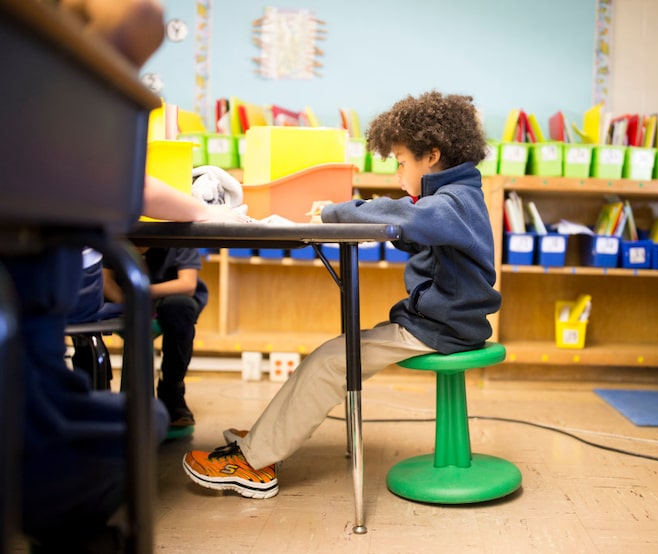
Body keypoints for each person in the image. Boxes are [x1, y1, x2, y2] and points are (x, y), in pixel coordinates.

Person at [1, 1, 246, 550]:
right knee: (132, 417)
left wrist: (200, 213)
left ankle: (170, 394)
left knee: (178, 315)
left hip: (79, 303)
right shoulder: (51, 104)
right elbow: (139, 20)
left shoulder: (57, 129)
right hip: (61, 308)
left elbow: (174, 278)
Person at [182, 90, 502, 499]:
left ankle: (254, 462)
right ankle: (267, 437)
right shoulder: (455, 198)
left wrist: (336, 211)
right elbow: (423, 235)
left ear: (433, 156)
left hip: (443, 328)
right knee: (332, 355)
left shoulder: (453, 202)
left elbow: (410, 217)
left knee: (330, 361)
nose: (398, 175)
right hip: (439, 321)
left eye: (402, 163)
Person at [102, 246, 209, 436]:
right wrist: (128, 302)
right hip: (123, 296)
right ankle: (100, 394)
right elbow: (105, 280)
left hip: (166, 295)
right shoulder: (119, 232)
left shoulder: (178, 234)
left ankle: (172, 390)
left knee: (181, 309)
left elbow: (187, 284)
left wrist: (141, 291)